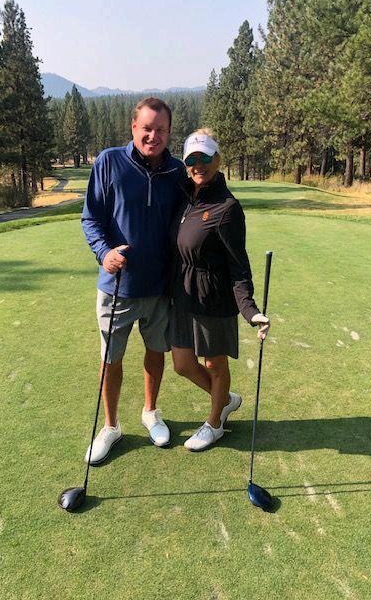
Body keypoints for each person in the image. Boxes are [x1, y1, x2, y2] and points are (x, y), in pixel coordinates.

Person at [81, 97, 186, 464]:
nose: (153, 136)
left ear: (169, 132)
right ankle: (111, 426)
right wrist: (104, 253)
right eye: (147, 128)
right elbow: (91, 218)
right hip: (117, 288)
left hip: (159, 288)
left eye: (161, 130)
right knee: (112, 359)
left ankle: (150, 412)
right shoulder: (109, 161)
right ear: (133, 127)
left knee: (155, 352)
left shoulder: (177, 171)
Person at [169, 129, 270, 451]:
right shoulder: (186, 197)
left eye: (206, 157)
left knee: (215, 364)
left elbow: (238, 265)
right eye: (192, 159)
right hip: (183, 296)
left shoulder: (227, 208)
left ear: (218, 159)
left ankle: (215, 424)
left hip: (212, 297)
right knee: (182, 364)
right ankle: (225, 400)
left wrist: (250, 310)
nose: (199, 165)